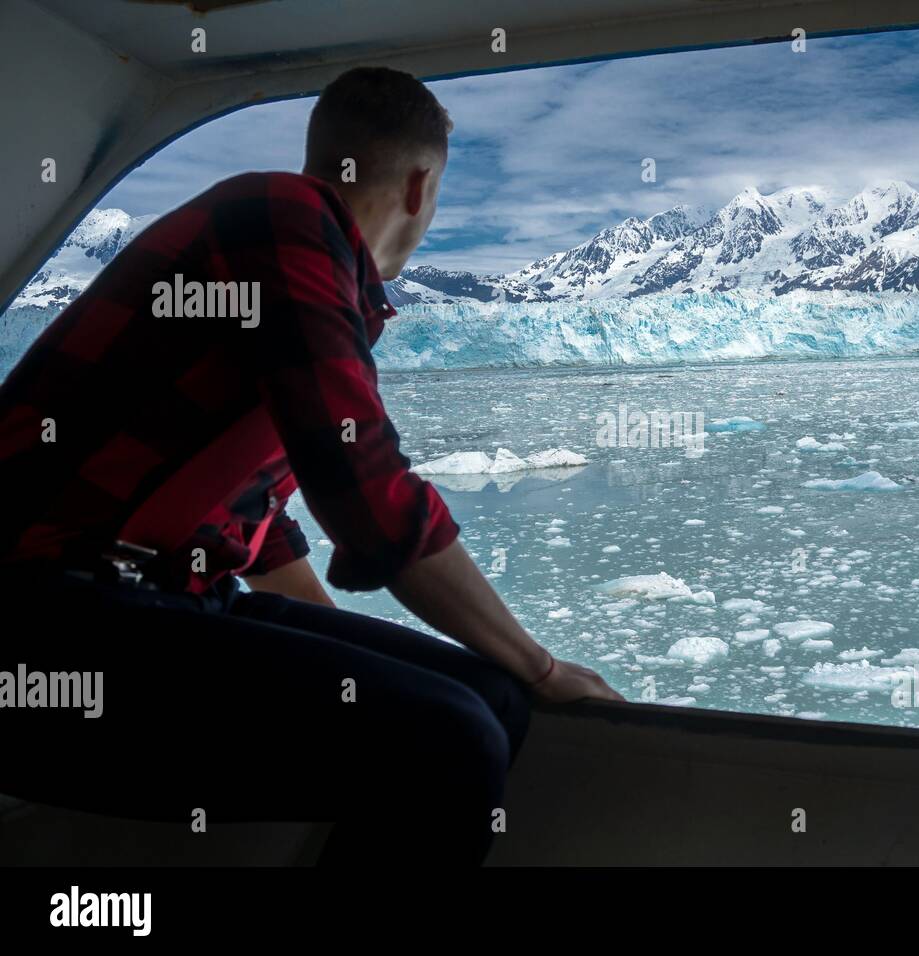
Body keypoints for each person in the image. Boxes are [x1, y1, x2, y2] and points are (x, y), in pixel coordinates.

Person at [0, 66, 622, 867]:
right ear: (421, 185)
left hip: (156, 598)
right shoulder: (282, 220)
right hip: (42, 611)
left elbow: (258, 525)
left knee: (493, 700)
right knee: (450, 740)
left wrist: (348, 656)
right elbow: (361, 481)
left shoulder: (285, 241)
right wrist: (543, 664)